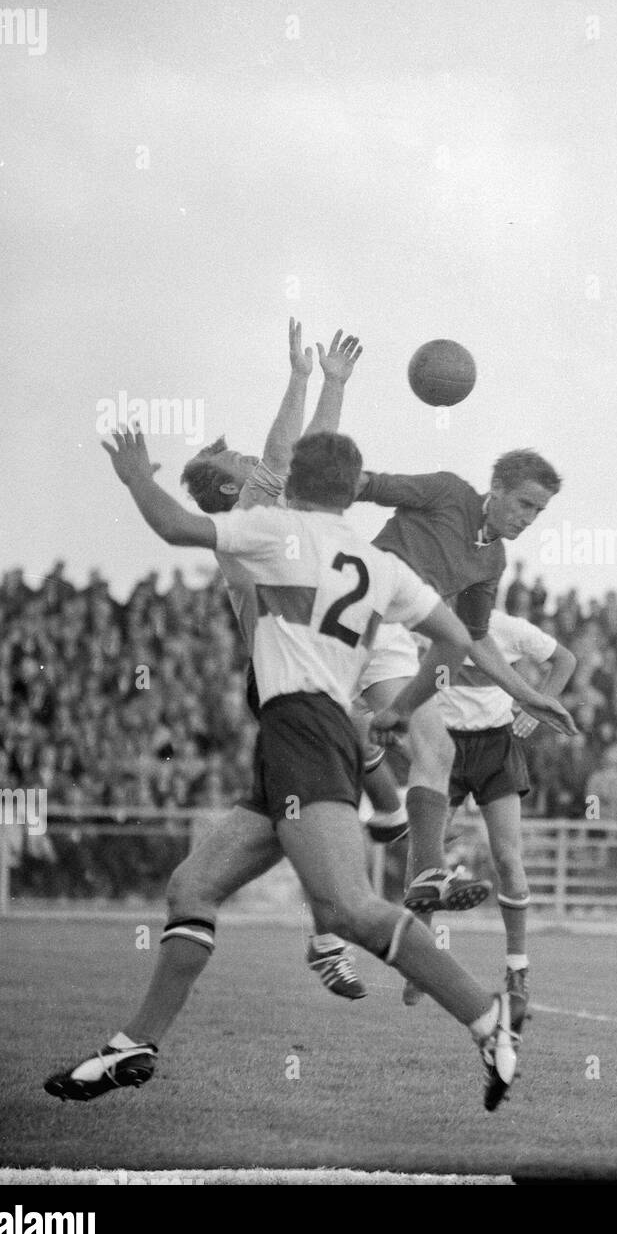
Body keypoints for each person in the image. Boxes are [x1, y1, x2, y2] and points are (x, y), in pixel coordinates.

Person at [45, 430, 520, 1111]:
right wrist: (404, 708)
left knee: (350, 909)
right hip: (300, 733)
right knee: (192, 886)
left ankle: (485, 1016)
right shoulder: (377, 561)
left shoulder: (276, 529)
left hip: (304, 727)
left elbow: (175, 523)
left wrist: (133, 477)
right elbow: (453, 638)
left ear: (296, 479)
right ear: (349, 487)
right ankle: (136, 1044)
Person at [175, 320, 401, 999]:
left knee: (296, 813)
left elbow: (314, 461)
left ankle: (331, 928)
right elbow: (284, 460)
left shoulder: (281, 519)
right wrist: (305, 380)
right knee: (328, 789)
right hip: (291, 675)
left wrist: (331, 386)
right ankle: (363, 878)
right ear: (226, 490)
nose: (251, 461)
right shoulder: (243, 525)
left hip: (315, 665)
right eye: (238, 463)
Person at [352, 450, 578, 918]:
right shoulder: (447, 491)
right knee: (329, 746)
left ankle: (425, 874)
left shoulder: (493, 559)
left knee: (437, 750)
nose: (529, 518)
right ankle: (384, 814)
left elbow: (476, 638)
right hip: (356, 607)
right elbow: (369, 485)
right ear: (495, 489)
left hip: (391, 637)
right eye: (523, 504)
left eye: (538, 511)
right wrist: (314, 499)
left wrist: (530, 696)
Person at [400, 609, 576, 1031]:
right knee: (424, 861)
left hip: (497, 746)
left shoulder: (508, 628)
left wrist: (534, 708)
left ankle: (517, 968)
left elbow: (565, 660)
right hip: (442, 745)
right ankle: (420, 963)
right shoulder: (426, 623)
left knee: (508, 859)